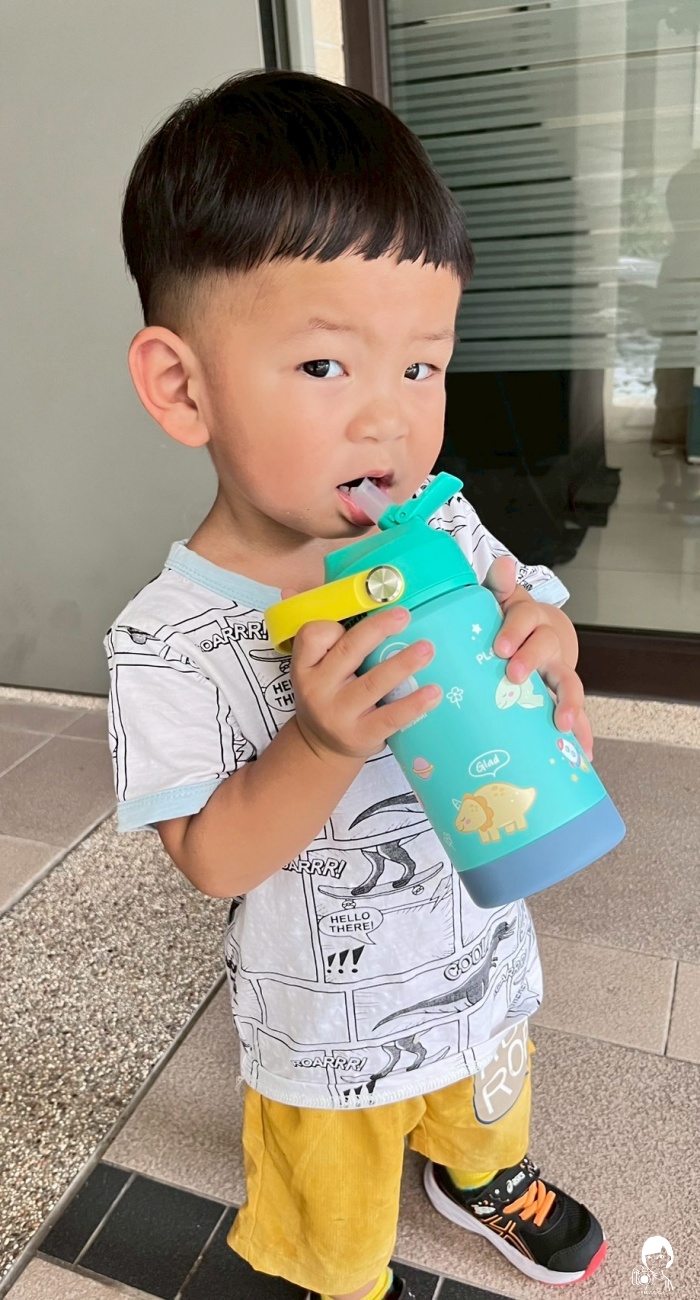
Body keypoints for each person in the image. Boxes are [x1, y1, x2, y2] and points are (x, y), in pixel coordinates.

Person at [105, 69, 607, 1300]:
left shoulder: (440, 524)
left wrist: (547, 641)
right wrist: (320, 744)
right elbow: (213, 859)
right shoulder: (170, 636)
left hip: (478, 952)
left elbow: (528, 612)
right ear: (183, 387)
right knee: (332, 1217)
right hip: (327, 1032)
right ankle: (336, 1270)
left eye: (422, 369)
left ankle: (480, 1175)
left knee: (489, 1096)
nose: (389, 421)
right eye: (328, 365)